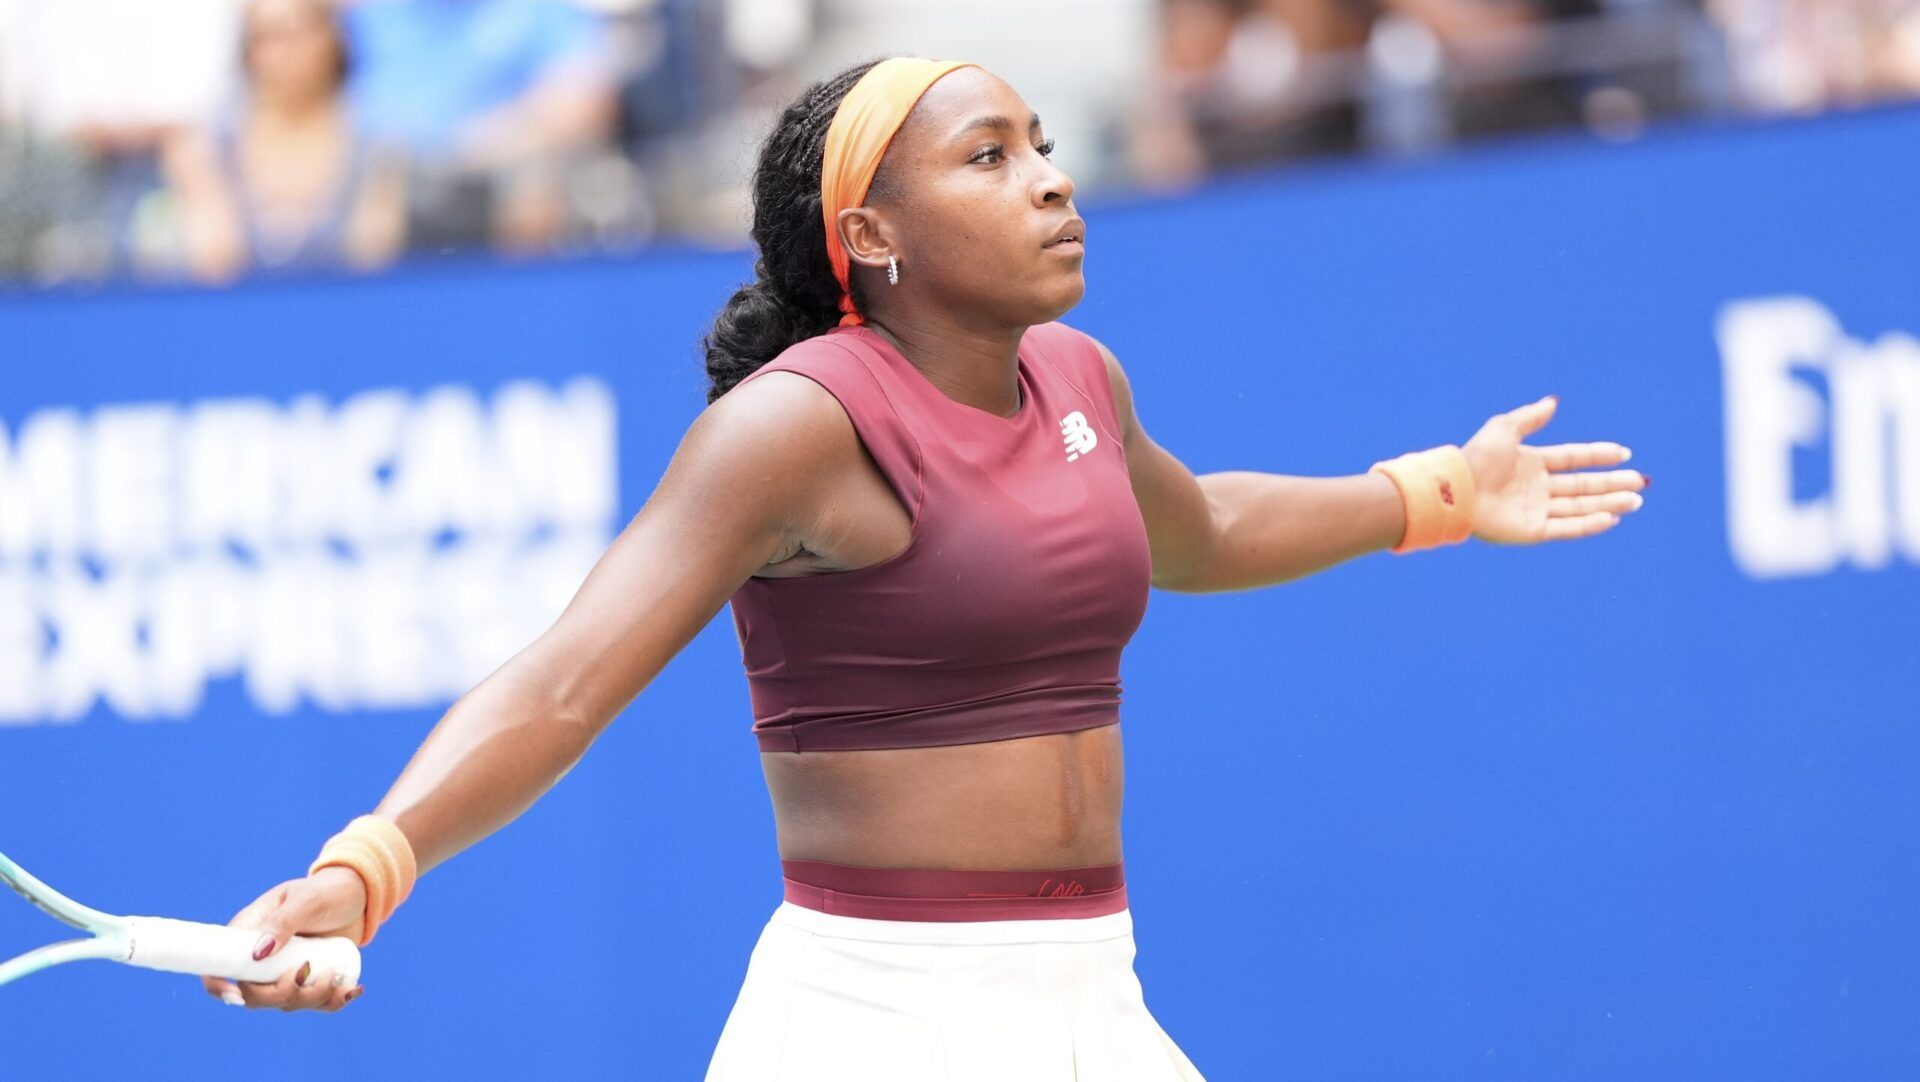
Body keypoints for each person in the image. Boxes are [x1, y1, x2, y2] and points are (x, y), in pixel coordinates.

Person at [196, 56, 1650, 1079]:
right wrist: (368, 867)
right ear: (870, 236)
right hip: (873, 1028)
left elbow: (1196, 526)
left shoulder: (1078, 375)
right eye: (991, 156)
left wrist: (1438, 490)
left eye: (1044, 143)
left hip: (1097, 998)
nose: (1053, 180)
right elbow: (566, 684)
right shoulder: (790, 428)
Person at [163, 0, 405, 281]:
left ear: (334, 37)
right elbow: (213, 268)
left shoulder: (376, 141)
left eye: (294, 33)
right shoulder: (206, 147)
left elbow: (372, 265)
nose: (283, 52)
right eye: (265, 36)